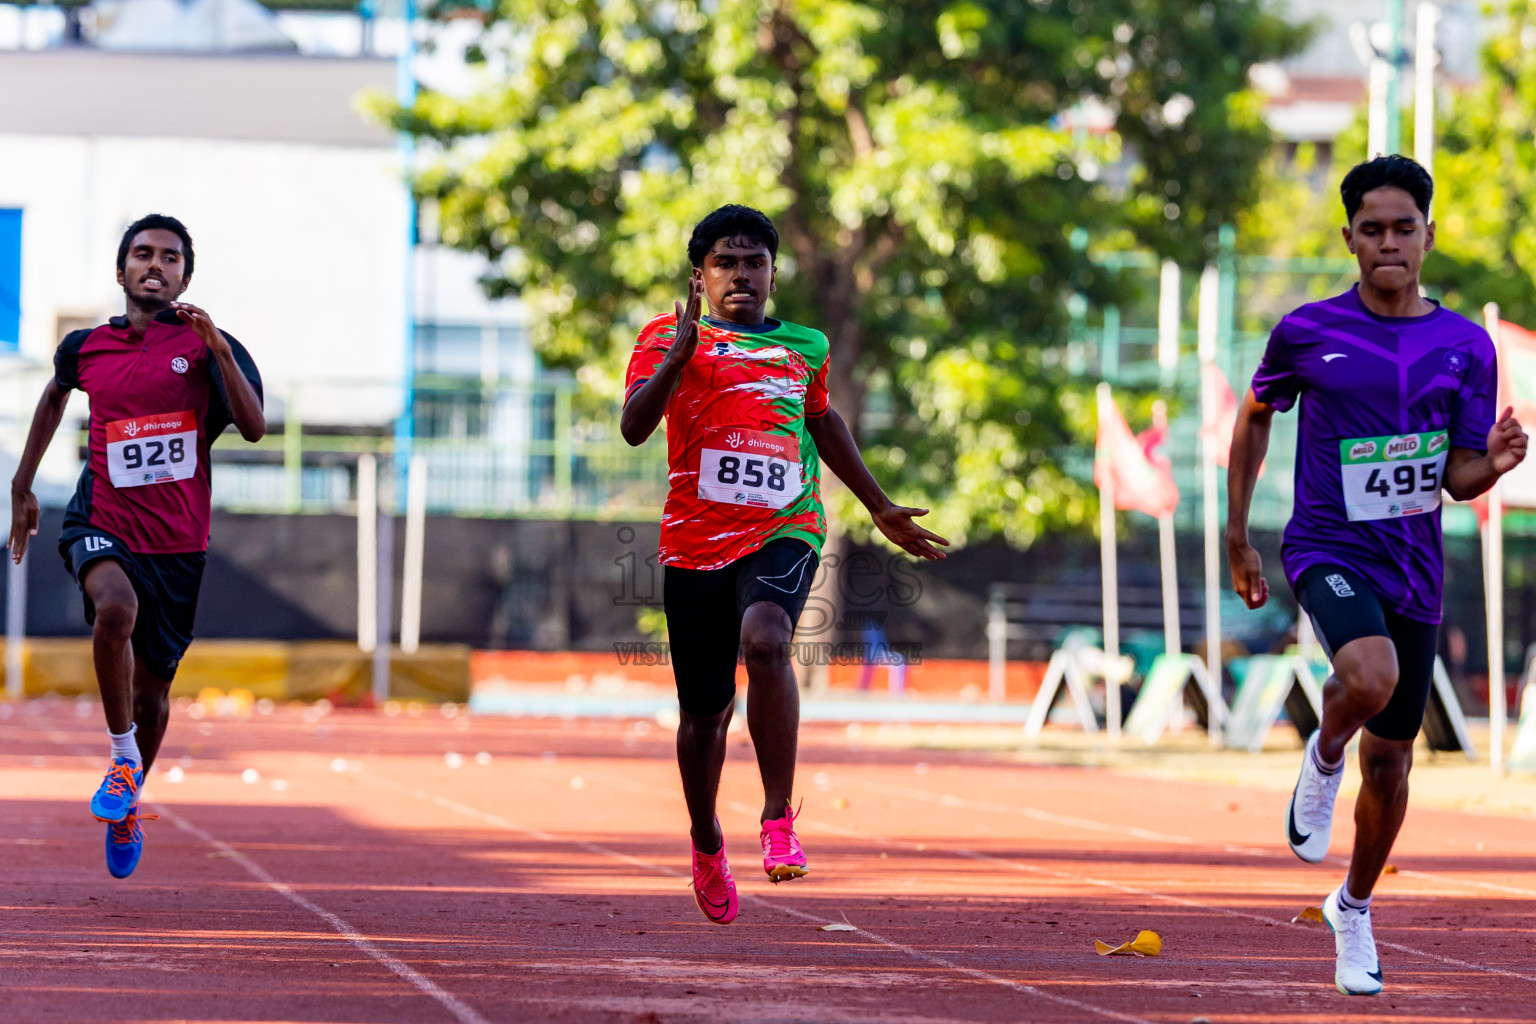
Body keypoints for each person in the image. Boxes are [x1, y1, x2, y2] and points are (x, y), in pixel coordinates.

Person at [1226, 155, 1527, 996]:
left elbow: (1457, 478)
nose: (1388, 243)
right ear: (1350, 238)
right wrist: (1236, 534)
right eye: (1372, 230)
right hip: (1325, 545)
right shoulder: (1306, 332)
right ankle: (1324, 755)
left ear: (1430, 235)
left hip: (1415, 569)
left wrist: (1493, 465)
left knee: (1393, 766)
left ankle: (1352, 906)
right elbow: (1255, 419)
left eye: (1404, 228)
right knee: (1370, 675)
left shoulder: (1466, 345)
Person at [621, 205, 948, 924]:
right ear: (700, 276)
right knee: (703, 714)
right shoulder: (666, 338)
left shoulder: (806, 345)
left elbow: (823, 419)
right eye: (726, 264)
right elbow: (635, 428)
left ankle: (776, 818)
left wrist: (878, 505)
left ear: (772, 272)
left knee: (767, 638)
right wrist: (678, 359)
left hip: (785, 525)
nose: (742, 275)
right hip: (695, 542)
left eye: (754, 263)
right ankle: (706, 841)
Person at [8, 214, 265, 878]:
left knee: (153, 692)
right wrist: (23, 484)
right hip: (102, 515)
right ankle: (122, 756)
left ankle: (129, 794)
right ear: (120, 271)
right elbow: (53, 395)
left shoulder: (210, 346)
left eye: (171, 257)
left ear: (186, 273)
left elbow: (256, 427)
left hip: (178, 540)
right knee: (114, 611)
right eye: (143, 254)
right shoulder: (87, 347)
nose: (157, 264)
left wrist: (222, 353)